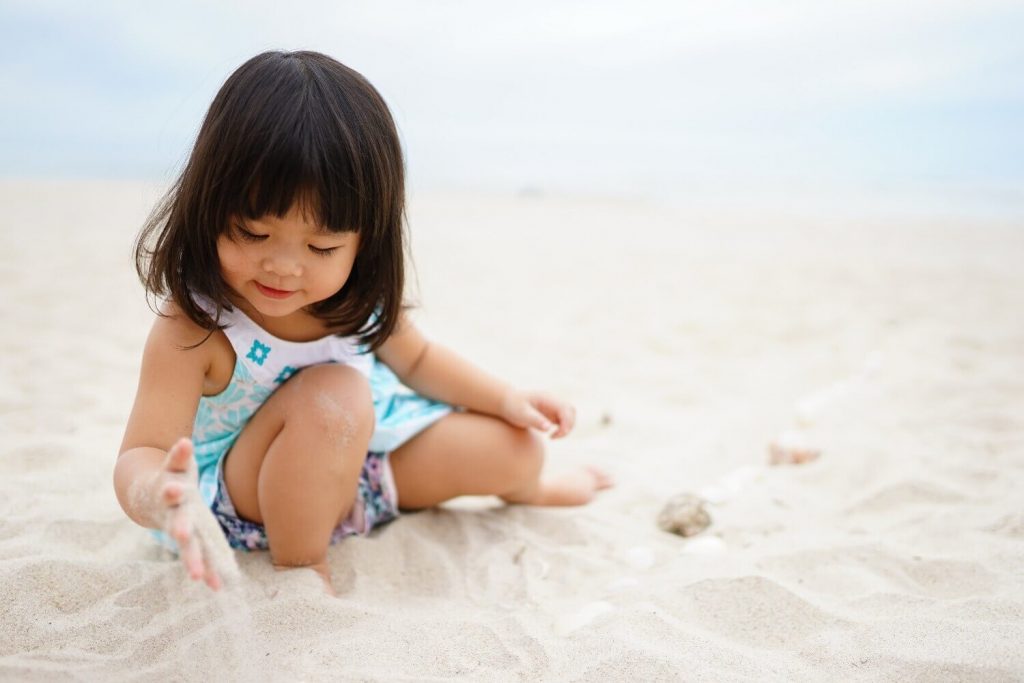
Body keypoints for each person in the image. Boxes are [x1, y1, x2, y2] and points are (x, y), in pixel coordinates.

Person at [112, 50, 613, 595]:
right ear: (207, 206)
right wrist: (157, 491)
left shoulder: (356, 301)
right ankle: (302, 569)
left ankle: (530, 490)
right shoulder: (197, 326)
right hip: (247, 501)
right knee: (337, 394)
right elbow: (143, 451)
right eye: (253, 233)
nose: (283, 266)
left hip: (355, 475)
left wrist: (506, 399)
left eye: (321, 246)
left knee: (516, 447)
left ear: (364, 242)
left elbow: (419, 361)